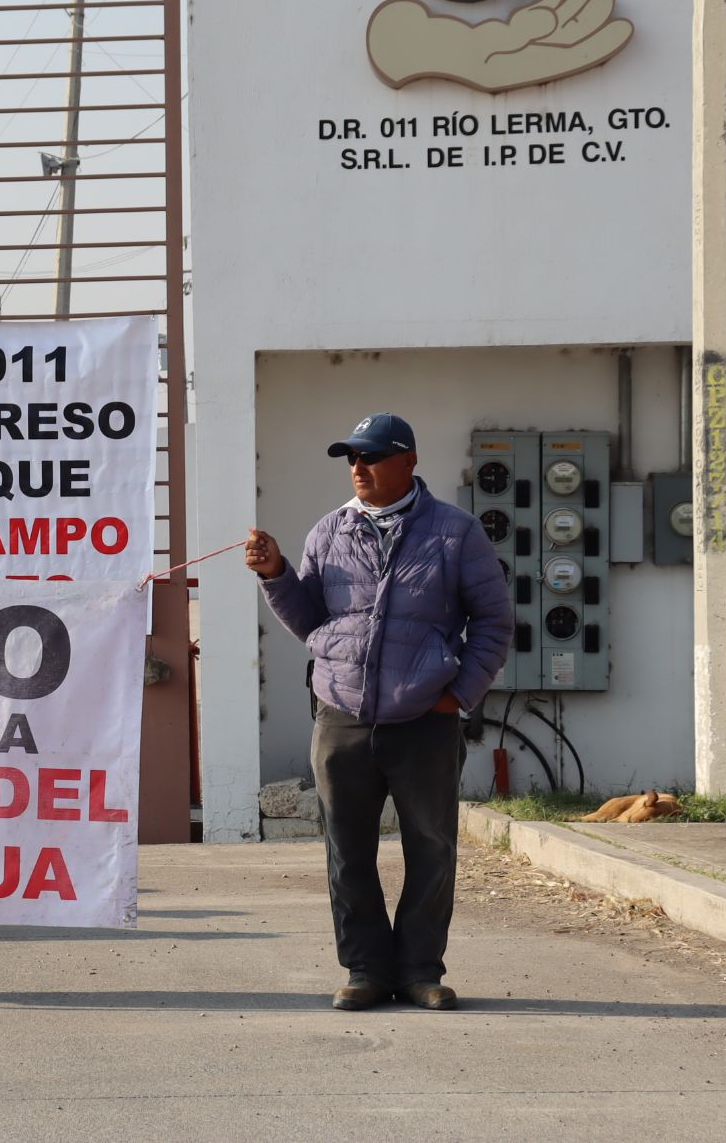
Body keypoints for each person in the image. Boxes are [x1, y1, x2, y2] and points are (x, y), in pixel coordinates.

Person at [245, 413, 512, 1012]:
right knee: (347, 852)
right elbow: (311, 619)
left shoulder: (455, 532)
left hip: (425, 718)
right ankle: (365, 970)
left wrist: (457, 695)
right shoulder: (330, 531)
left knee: (431, 849)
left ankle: (420, 972)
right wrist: (275, 574)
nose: (358, 468)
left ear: (409, 461)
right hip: (341, 717)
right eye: (352, 458)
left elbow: (494, 622)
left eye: (372, 456)